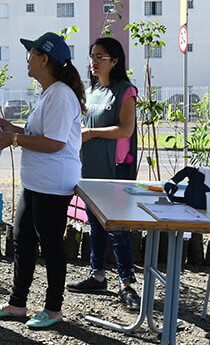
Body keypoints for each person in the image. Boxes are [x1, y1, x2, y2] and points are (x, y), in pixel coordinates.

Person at [0, 32, 85, 328]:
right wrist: (10, 127)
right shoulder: (49, 92)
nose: (27, 59)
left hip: (53, 184)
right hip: (36, 182)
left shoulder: (62, 95)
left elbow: (54, 143)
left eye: (32, 53)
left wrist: (13, 138)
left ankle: (53, 309)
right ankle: (17, 304)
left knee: (50, 243)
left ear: (44, 59)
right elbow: (40, 133)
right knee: (23, 239)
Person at [65, 37, 141, 311]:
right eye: (92, 56)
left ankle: (127, 284)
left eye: (100, 56)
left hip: (115, 170)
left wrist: (91, 133)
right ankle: (97, 275)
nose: (94, 61)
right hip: (91, 169)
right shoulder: (94, 91)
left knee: (117, 227)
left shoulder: (126, 91)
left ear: (115, 61)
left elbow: (125, 130)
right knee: (95, 224)